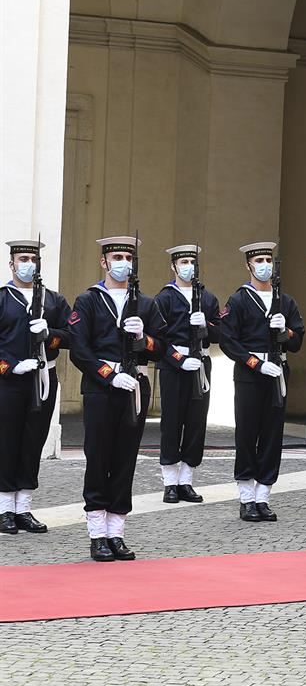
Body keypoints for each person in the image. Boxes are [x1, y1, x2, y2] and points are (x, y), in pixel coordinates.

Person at [69, 236, 166, 561]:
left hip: (135, 385)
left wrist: (145, 339)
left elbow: (164, 348)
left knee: (125, 459)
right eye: (117, 256)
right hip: (101, 387)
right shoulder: (88, 301)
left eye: (128, 256)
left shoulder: (147, 304)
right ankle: (97, 533)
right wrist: (109, 375)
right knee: (98, 457)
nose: (123, 262)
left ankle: (116, 531)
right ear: (104, 262)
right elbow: (79, 351)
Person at [218, 242, 304, 522]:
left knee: (271, 434)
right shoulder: (239, 300)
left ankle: (263, 496)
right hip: (250, 375)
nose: (265, 264)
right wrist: (255, 363)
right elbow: (229, 341)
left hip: (277, 372)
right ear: (249, 266)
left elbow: (298, 340)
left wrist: (286, 332)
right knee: (247, 432)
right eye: (259, 260)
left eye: (268, 259)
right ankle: (246, 497)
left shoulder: (286, 302)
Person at [0, 239, 71, 535]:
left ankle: (24, 507)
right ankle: (4, 508)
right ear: (11, 264)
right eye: (23, 259)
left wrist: (50, 334)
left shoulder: (53, 300)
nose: (29, 264)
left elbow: (71, 336)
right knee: (6, 442)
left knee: (33, 441)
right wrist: (10, 365)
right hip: (9, 381)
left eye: (33, 259)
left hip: (42, 379)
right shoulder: (3, 298)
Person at [154, 244, 221, 504]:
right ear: (173, 266)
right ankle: (170, 482)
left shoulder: (208, 298)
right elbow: (158, 339)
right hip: (174, 366)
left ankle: (186, 480)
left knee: (196, 422)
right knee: (172, 422)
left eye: (192, 262)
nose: (188, 267)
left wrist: (207, 326)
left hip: (201, 363)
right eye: (183, 262)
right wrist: (178, 360)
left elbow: (220, 334)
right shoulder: (165, 298)